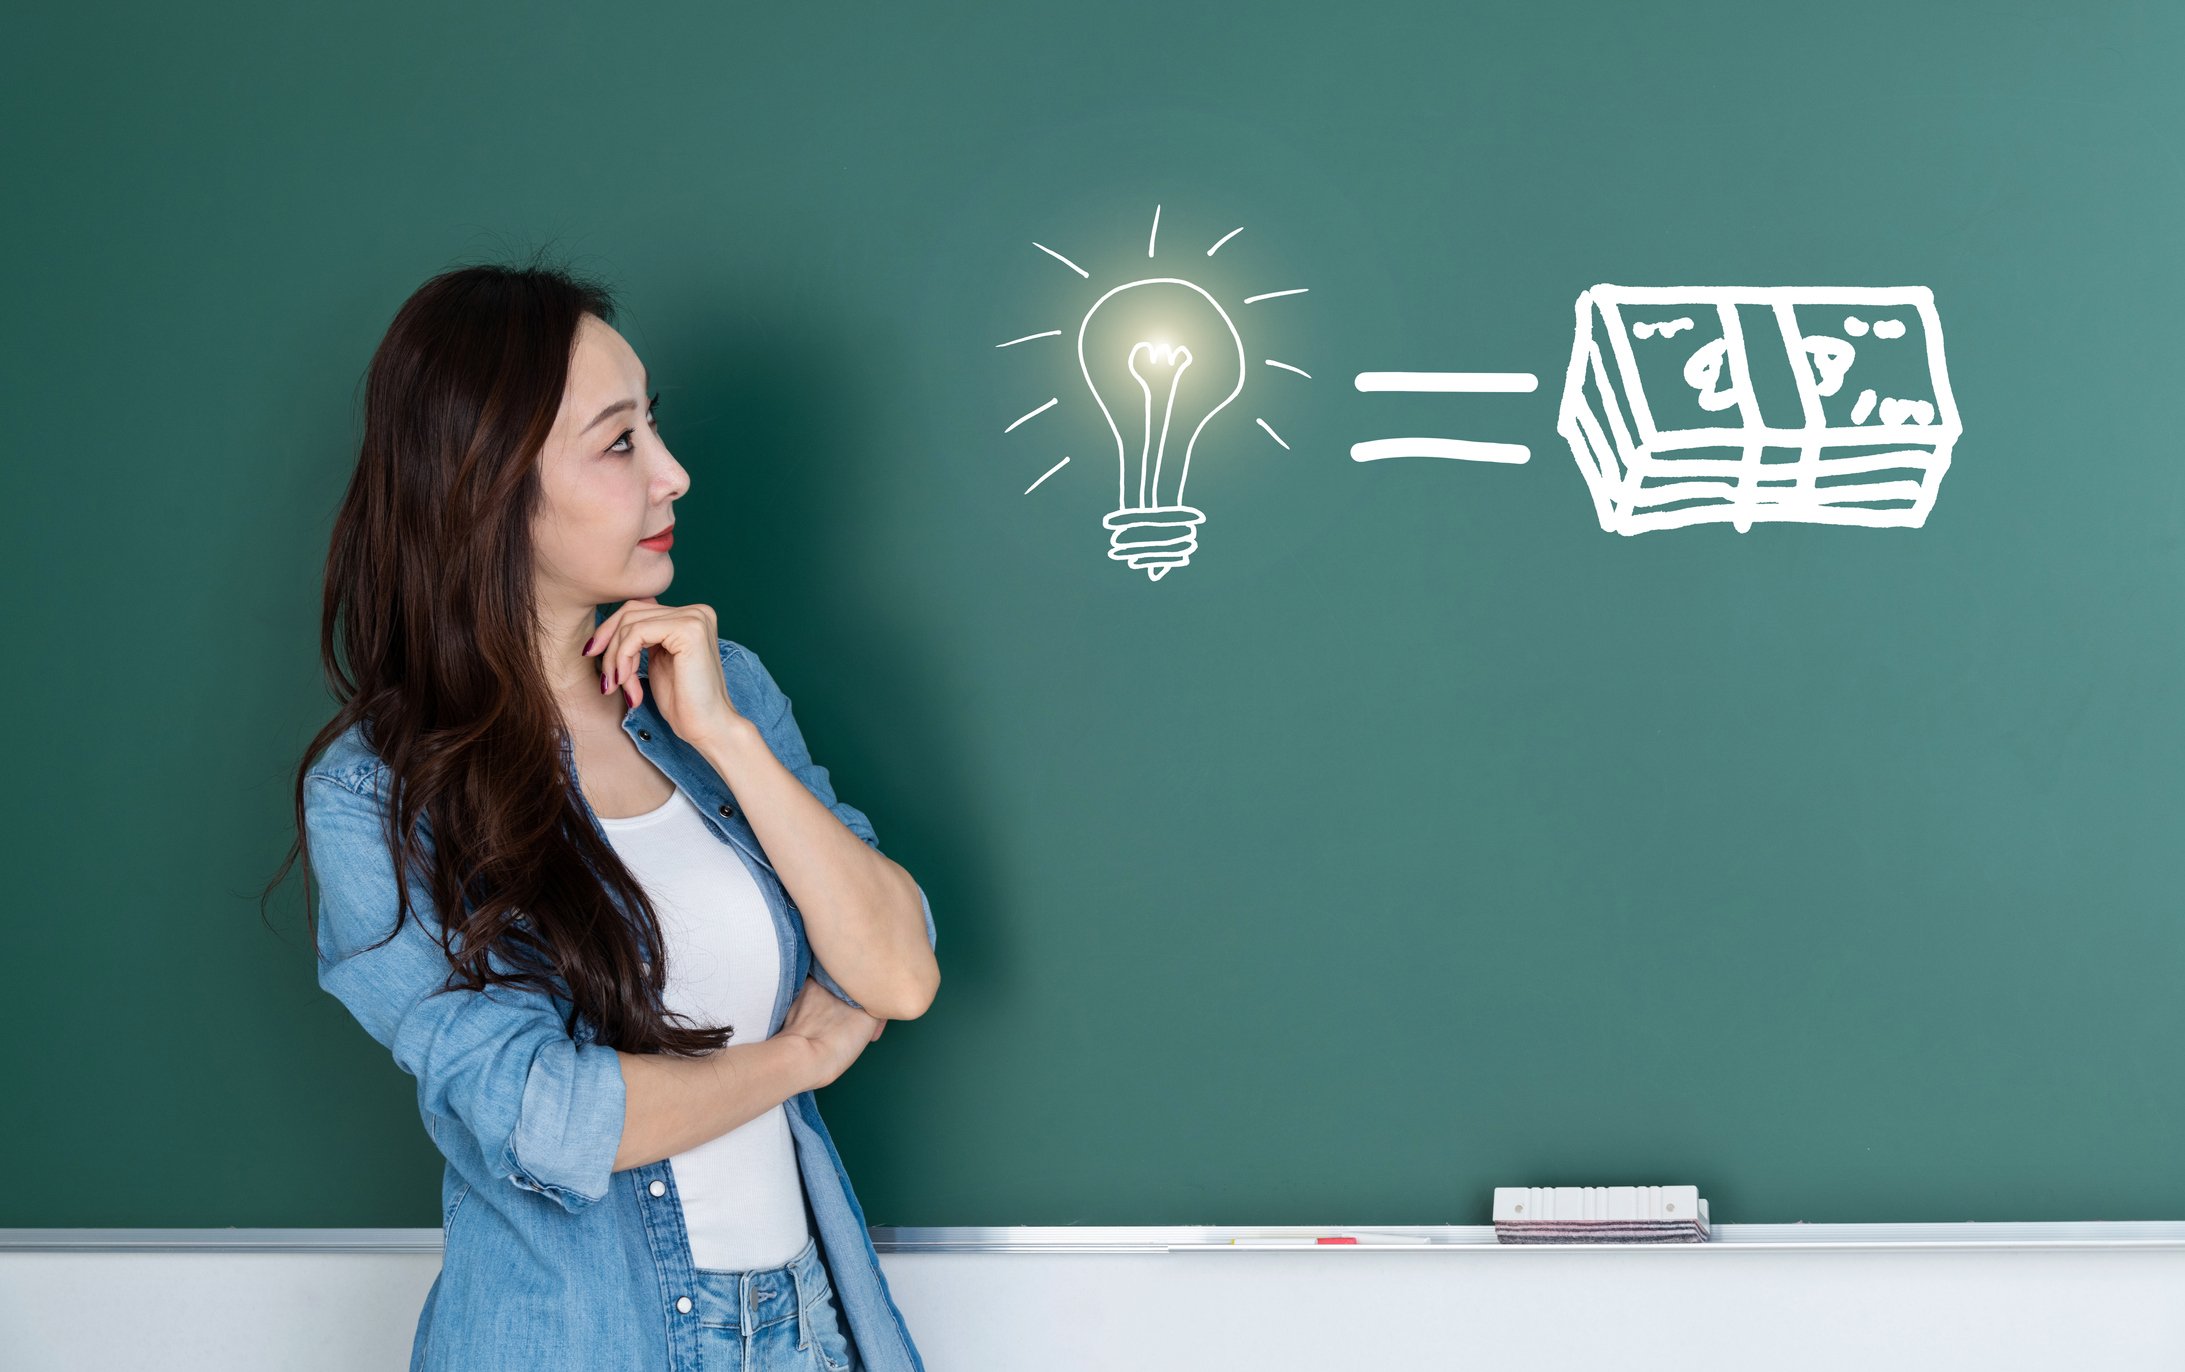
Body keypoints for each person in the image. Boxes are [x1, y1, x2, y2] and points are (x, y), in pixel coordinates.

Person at [282, 257, 940, 1371]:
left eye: (656, 429)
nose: (674, 474)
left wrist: (726, 735)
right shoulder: (377, 790)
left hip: (806, 1327)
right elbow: (546, 1114)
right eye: (620, 440)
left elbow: (900, 970)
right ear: (489, 482)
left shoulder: (718, 687)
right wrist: (801, 1057)